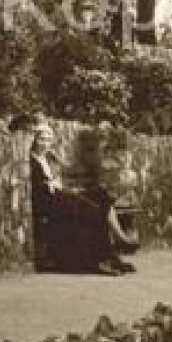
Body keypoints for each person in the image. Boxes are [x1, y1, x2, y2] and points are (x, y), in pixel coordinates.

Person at [16, 114, 136, 275]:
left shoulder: (49, 158)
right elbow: (40, 187)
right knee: (92, 210)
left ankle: (111, 255)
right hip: (49, 200)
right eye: (42, 139)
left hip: (60, 194)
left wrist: (67, 183)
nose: (45, 143)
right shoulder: (32, 160)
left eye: (49, 139)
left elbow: (66, 173)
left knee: (101, 195)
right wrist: (60, 187)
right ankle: (97, 260)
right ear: (34, 140)